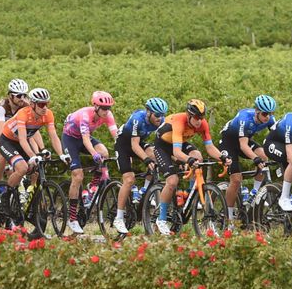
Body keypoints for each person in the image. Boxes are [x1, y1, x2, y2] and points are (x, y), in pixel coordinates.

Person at [150, 99, 229, 236]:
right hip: (163, 146)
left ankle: (188, 195)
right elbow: (177, 153)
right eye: (197, 118)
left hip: (179, 143)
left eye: (202, 117)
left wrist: (222, 157)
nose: (199, 121)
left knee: (198, 155)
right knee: (173, 181)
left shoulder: (202, 124)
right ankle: (161, 219)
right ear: (189, 115)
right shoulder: (179, 121)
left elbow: (209, 147)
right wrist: (188, 159)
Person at [0, 88, 68, 229]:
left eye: (46, 103)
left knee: (35, 170)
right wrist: (33, 156)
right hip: (8, 141)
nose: (45, 107)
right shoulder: (23, 113)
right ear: (33, 104)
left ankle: (24, 200)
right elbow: (23, 140)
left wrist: (62, 154)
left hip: (22, 142)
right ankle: (7, 195)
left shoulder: (48, 114)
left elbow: (53, 136)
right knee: (22, 167)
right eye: (41, 104)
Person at [61, 91, 119, 234]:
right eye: (104, 108)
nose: (107, 111)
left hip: (83, 138)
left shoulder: (108, 115)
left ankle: (92, 187)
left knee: (104, 153)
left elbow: (116, 134)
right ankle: (72, 218)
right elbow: (86, 140)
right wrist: (93, 154)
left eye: (109, 108)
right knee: (78, 175)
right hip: (70, 139)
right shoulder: (85, 115)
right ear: (95, 106)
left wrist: (121, 150)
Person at [111, 97, 167, 234]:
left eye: (163, 115)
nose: (160, 118)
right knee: (129, 179)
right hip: (124, 145)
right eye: (157, 115)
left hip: (138, 142)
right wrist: (146, 160)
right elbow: (134, 145)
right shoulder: (138, 118)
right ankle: (118, 218)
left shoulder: (161, 122)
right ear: (148, 112)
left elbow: (162, 144)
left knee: (156, 156)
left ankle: (145, 190)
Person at [219, 95, 277, 225]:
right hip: (228, 143)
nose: (268, 117)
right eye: (265, 113)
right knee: (236, 179)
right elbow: (243, 146)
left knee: (263, 155)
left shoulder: (269, 119)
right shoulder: (245, 118)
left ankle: (255, 193)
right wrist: (255, 159)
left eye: (271, 113)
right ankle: (229, 218)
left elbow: (276, 137)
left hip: (244, 140)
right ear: (257, 111)